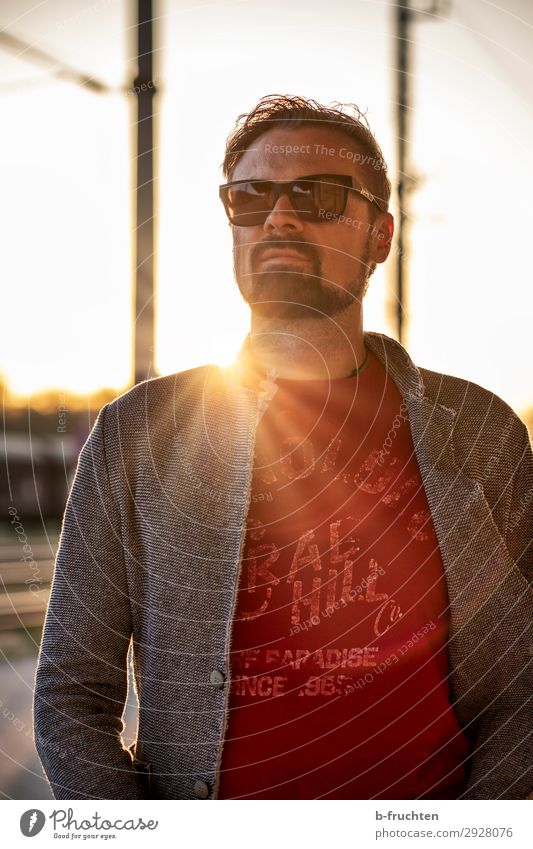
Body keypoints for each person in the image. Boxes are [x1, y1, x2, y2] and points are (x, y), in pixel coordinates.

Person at [34, 95, 532, 801]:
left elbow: (522, 687)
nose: (278, 216)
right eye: (249, 197)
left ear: (380, 235)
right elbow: (71, 693)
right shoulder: (139, 431)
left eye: (319, 195)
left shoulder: (479, 428)